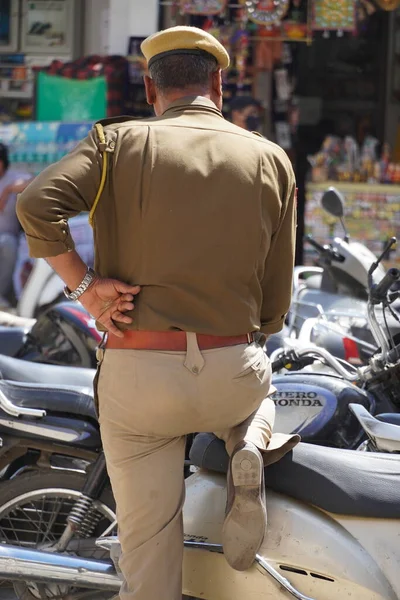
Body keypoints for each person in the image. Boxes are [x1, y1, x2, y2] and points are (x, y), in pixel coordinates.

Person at [16, 25, 299, 600]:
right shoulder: (271, 158)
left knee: (149, 554)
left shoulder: (115, 143)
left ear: (150, 88)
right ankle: (249, 440)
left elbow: (34, 205)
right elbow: (274, 309)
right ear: (219, 83)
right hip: (229, 371)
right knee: (264, 390)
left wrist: (88, 288)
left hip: (140, 375)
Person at [0, 144, 32, 307]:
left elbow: (33, 182)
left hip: (8, 237)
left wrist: (8, 189)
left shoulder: (13, 177)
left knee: (7, 243)